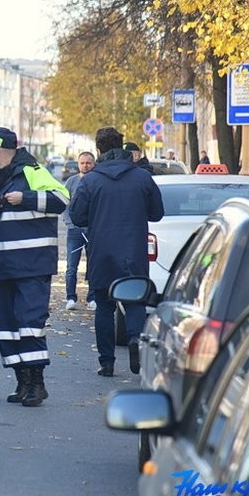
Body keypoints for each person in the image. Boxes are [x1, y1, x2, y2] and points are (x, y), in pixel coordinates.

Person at [0, 127, 69, 407]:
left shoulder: (32, 171)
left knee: (30, 324)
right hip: (5, 266)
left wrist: (24, 198)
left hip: (33, 265)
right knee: (9, 327)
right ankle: (22, 381)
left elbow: (62, 199)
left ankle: (38, 383)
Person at [70, 127, 164, 377]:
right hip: (134, 251)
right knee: (134, 300)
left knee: (103, 305)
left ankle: (107, 362)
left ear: (99, 150)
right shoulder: (142, 178)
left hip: (101, 252)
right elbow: (157, 213)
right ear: (122, 148)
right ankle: (135, 339)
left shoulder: (90, 180)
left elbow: (77, 217)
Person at [62, 151, 96, 311]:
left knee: (94, 265)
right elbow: (64, 204)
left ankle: (92, 298)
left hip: (94, 231)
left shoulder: (98, 181)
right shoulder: (71, 182)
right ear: (78, 164)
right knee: (71, 266)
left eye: (88, 163)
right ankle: (70, 297)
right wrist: (70, 224)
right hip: (74, 231)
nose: (85, 165)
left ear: (93, 164)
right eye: (82, 163)